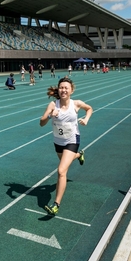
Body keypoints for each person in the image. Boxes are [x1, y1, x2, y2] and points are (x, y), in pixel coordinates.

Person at [39, 77, 93, 216]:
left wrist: (86, 119)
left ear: (71, 90)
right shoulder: (53, 105)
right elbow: (41, 122)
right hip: (58, 141)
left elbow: (89, 108)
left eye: (66, 88)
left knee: (62, 171)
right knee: (64, 162)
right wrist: (51, 115)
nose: (63, 90)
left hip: (72, 140)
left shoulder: (76, 104)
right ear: (58, 89)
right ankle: (79, 155)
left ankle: (56, 204)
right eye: (61, 87)